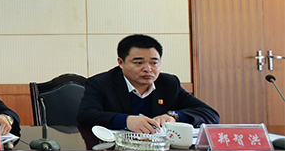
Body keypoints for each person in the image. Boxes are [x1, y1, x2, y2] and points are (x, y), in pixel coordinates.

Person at [77, 34, 219, 133]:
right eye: (138, 63)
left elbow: (210, 114)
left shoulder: (168, 83)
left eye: (154, 63)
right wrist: (125, 121)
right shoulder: (101, 83)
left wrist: (174, 117)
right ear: (121, 62)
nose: (148, 69)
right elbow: (86, 115)